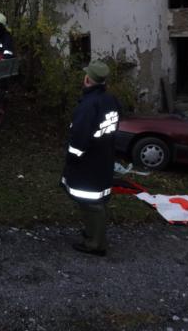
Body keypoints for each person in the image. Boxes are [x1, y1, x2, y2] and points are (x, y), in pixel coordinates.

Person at [61, 60, 120, 257]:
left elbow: (79, 137)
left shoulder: (88, 105)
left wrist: (72, 158)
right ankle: (93, 234)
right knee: (97, 202)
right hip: (104, 159)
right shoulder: (110, 100)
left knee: (91, 204)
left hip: (88, 164)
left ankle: (95, 243)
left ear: (87, 79)